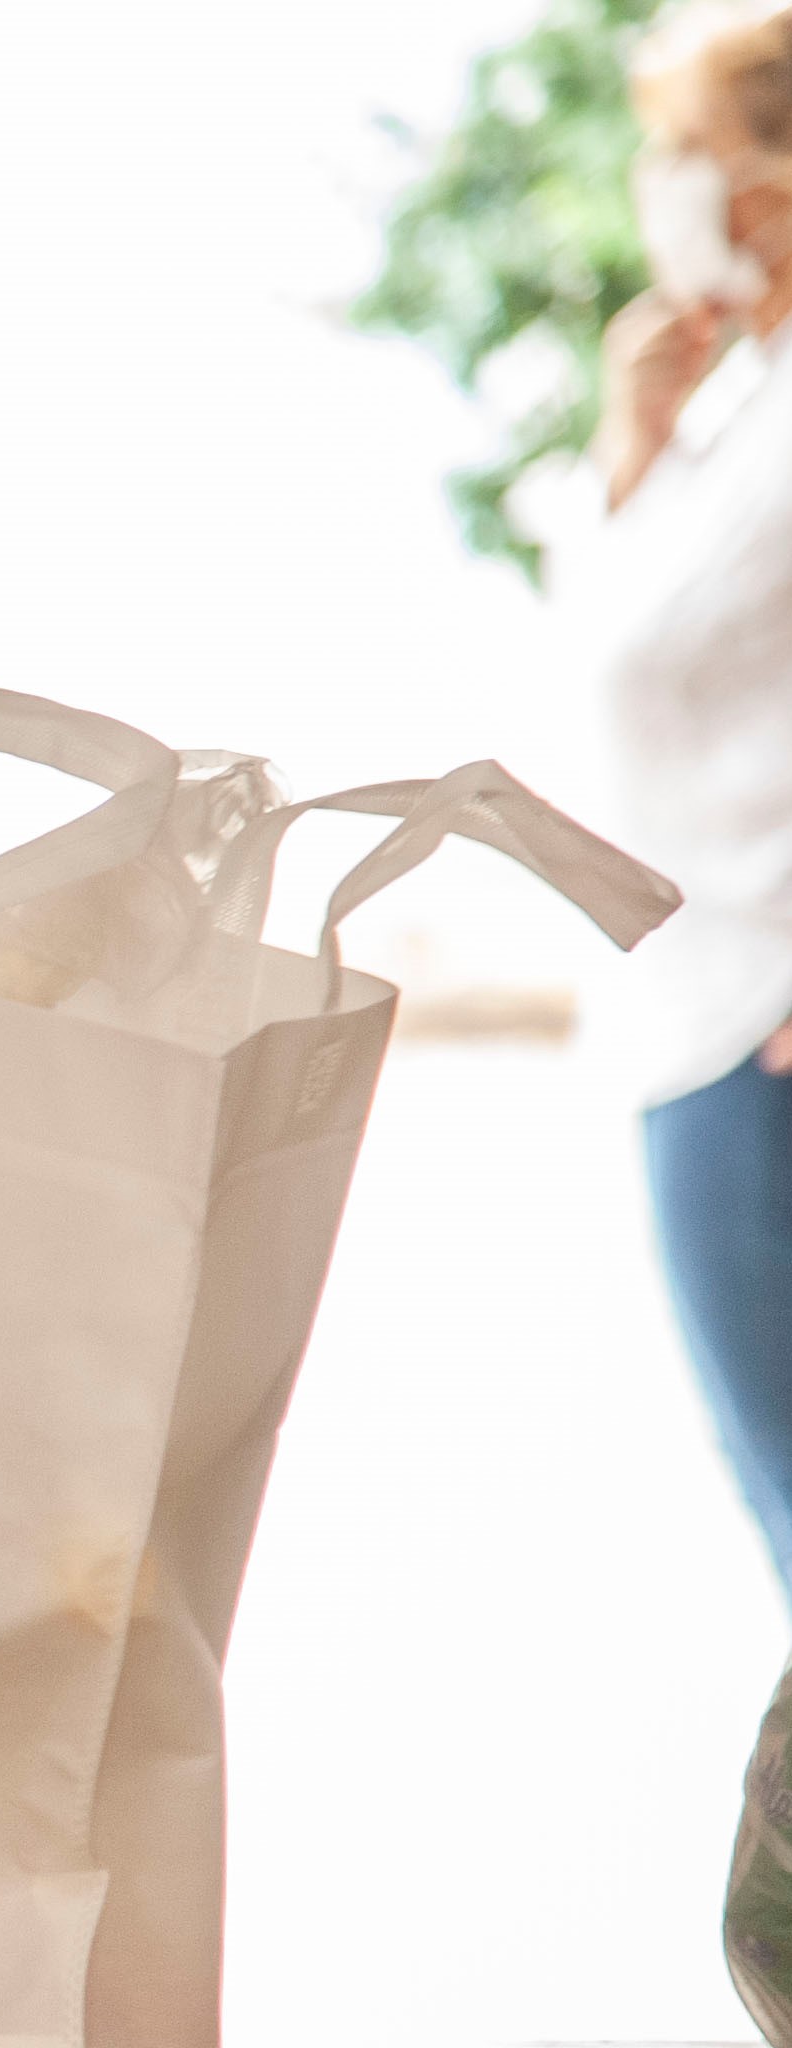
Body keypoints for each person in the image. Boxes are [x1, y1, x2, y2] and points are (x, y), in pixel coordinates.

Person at [595, 0, 792, 1609]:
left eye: (684, 149)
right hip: (704, 1018)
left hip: (768, 1027)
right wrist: (635, 435)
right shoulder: (737, 402)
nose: (656, 184)